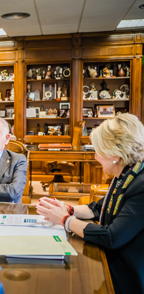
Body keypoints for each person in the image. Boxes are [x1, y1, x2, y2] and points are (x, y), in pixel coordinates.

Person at [36, 113, 144, 294]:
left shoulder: (140, 186)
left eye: (98, 150)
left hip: (126, 278)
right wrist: (67, 208)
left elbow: (111, 237)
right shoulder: (125, 175)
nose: (95, 157)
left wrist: (65, 220)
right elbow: (98, 208)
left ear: (114, 155)